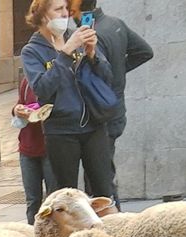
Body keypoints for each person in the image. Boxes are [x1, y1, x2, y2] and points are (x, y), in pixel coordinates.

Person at [21, 0, 115, 198]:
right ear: (43, 15)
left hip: (94, 124)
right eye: (58, 9)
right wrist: (65, 54)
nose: (65, 14)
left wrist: (92, 54)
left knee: (104, 191)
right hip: (61, 131)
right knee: (66, 195)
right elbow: (42, 89)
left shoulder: (76, 39)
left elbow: (107, 77)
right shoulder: (32, 51)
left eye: (66, 9)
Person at [79, 0, 152, 208]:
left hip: (100, 115)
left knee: (99, 177)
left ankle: (114, 220)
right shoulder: (115, 23)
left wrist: (114, 72)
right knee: (103, 172)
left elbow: (95, 74)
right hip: (116, 111)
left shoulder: (92, 34)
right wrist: (121, 70)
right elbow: (145, 52)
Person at [13, 76, 56, 224]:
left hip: (50, 148)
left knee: (53, 199)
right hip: (27, 147)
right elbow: (20, 103)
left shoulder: (53, 78)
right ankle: (33, 235)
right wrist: (17, 109)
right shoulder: (26, 81)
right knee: (32, 200)